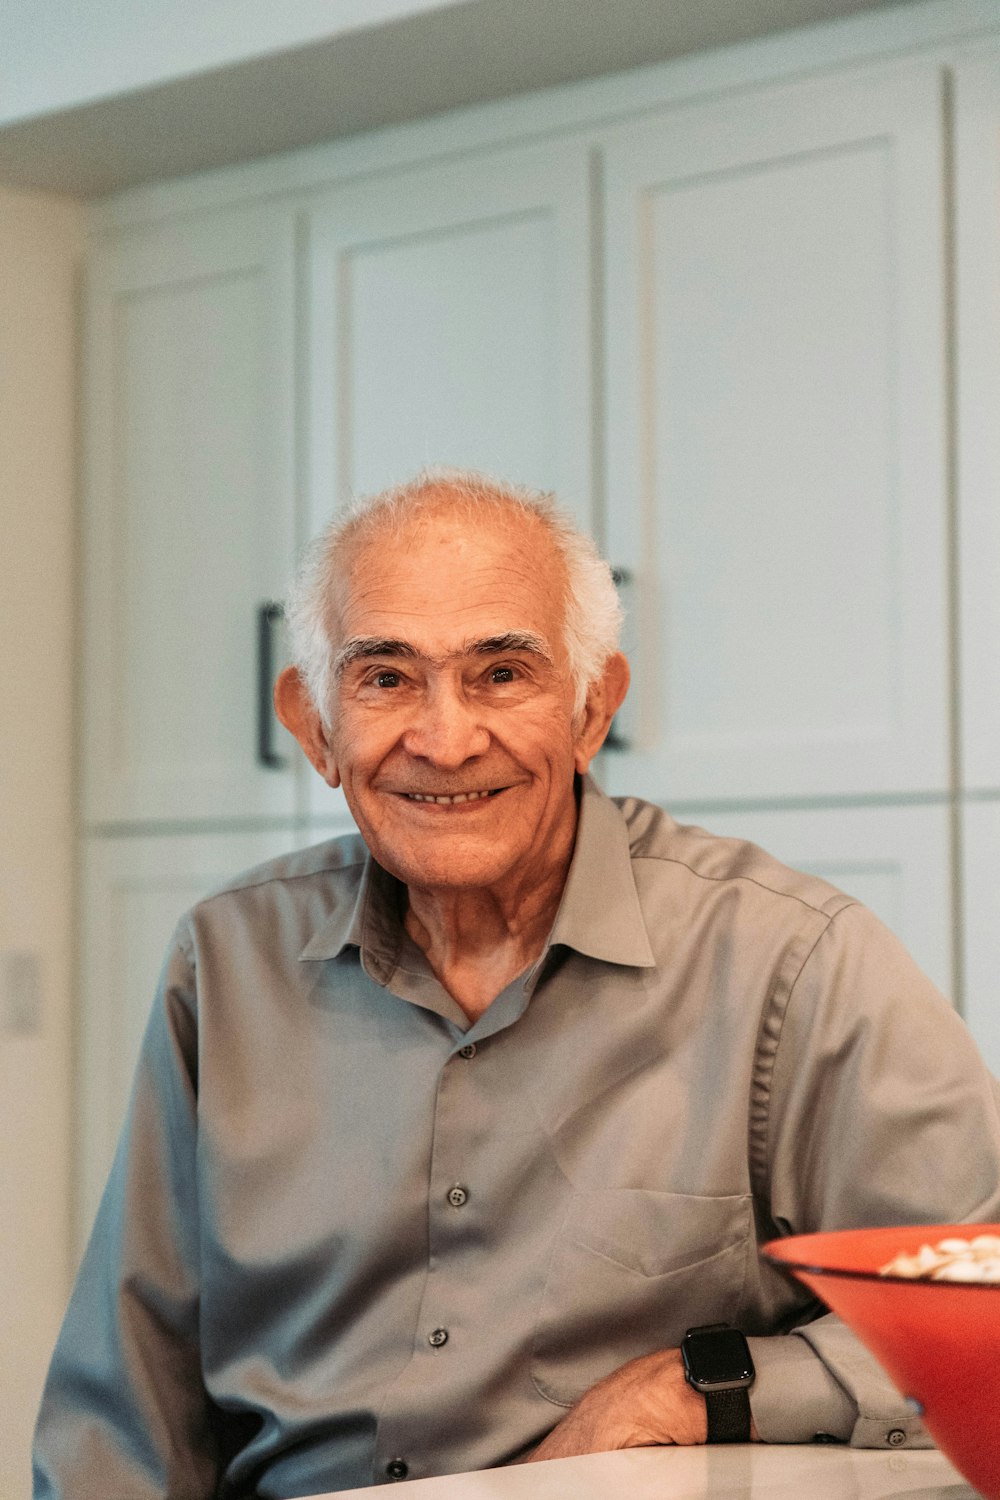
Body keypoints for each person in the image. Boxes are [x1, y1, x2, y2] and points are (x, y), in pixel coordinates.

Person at [34, 470, 1000, 1498]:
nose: (446, 741)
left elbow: (977, 1330)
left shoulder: (792, 963)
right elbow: (130, 1407)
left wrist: (695, 1388)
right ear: (312, 725)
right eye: (385, 679)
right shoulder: (225, 961)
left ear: (592, 709)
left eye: (500, 674)